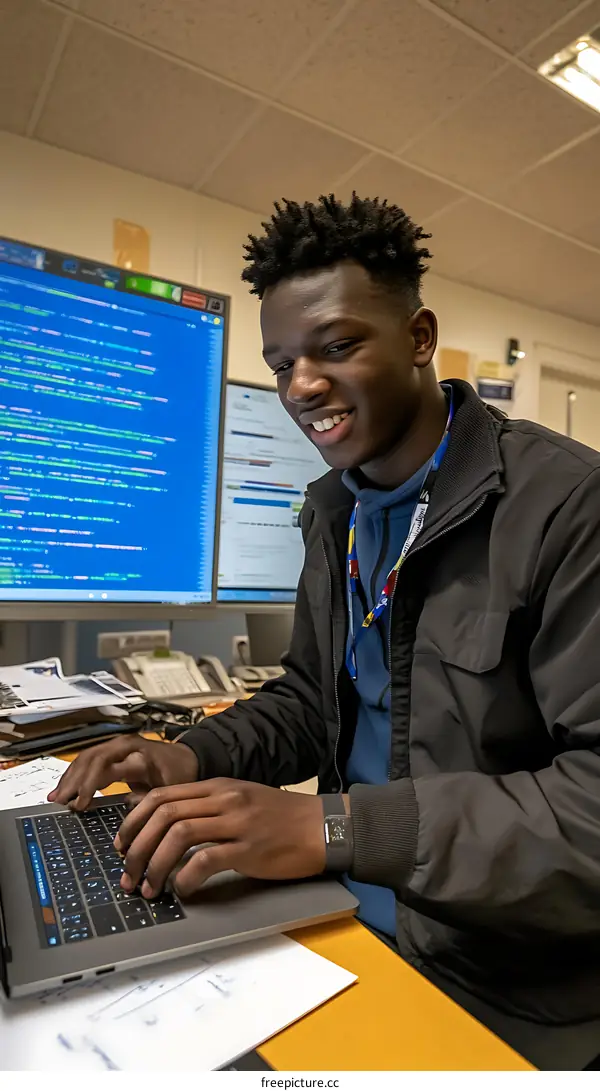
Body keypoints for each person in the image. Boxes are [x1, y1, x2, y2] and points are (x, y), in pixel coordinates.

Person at [51, 195, 600, 1065]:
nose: (302, 385)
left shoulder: (567, 506)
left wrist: (335, 828)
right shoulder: (337, 510)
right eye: (282, 362)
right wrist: (190, 756)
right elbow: (314, 698)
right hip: (344, 916)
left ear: (419, 337)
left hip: (504, 975)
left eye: (337, 346)